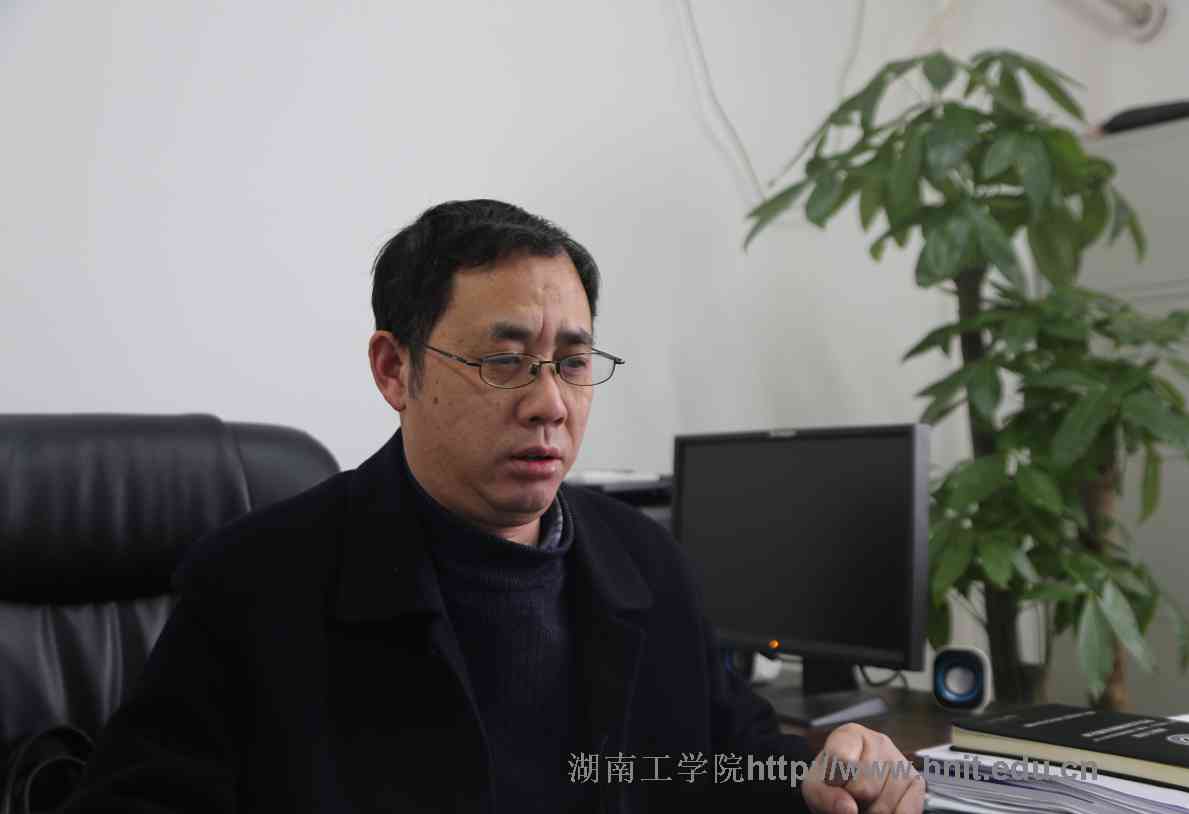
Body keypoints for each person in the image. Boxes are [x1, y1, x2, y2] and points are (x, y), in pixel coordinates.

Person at [64, 199, 926, 813]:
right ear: (395, 370)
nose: (550, 403)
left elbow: (721, 763)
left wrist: (820, 771)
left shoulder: (645, 560)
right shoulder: (256, 582)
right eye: (503, 361)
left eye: (573, 363)